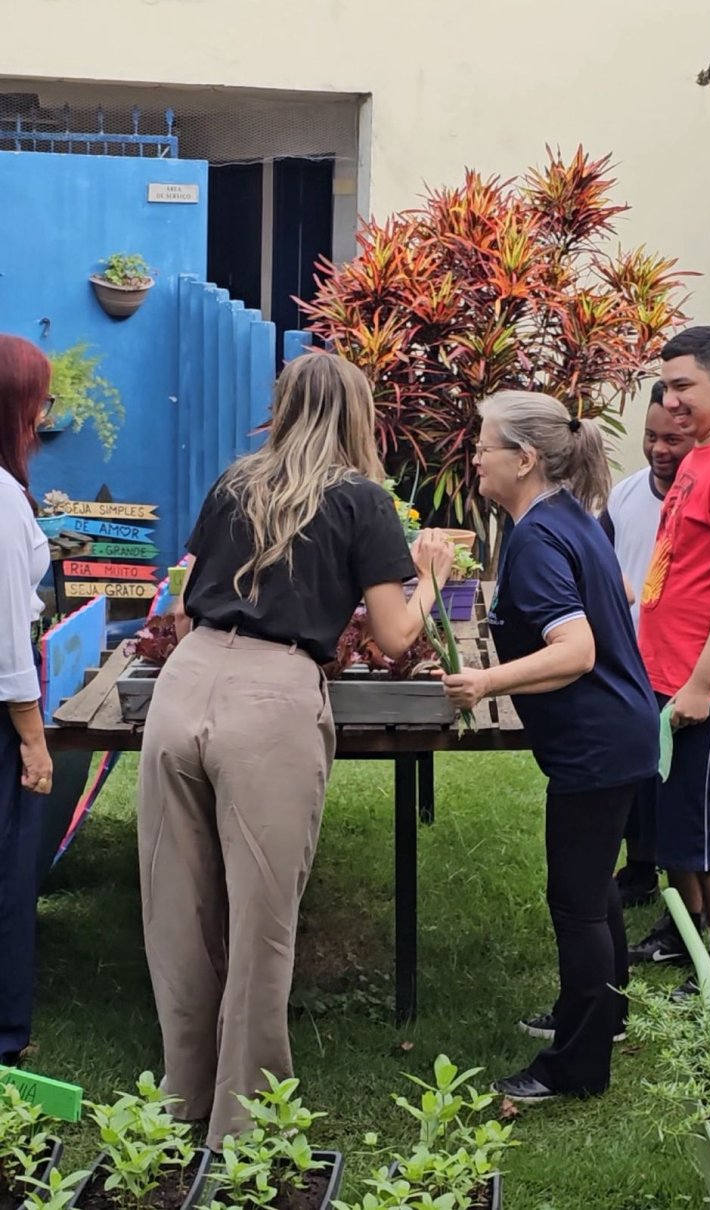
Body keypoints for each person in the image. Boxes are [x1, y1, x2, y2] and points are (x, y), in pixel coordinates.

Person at [137, 352, 454, 1150]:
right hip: (271, 700)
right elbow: (392, 635)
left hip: (186, 681)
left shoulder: (235, 481)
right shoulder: (362, 499)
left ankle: (181, 1098)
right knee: (263, 919)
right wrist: (428, 578)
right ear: (359, 414)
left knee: (176, 906)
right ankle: (243, 1125)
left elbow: (180, 601)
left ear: (281, 409)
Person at [440, 390, 658, 1103]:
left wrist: (486, 681)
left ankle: (577, 1067)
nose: (474, 457)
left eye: (484, 446)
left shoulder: (538, 536)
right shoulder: (567, 516)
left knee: (576, 903)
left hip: (595, 746)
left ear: (525, 458)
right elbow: (618, 588)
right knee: (593, 893)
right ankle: (599, 1019)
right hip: (620, 733)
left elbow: (577, 648)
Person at [633, 326, 710, 991]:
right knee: (673, 819)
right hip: (664, 675)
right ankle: (685, 936)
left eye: (683, 386)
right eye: (667, 386)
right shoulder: (702, 455)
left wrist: (702, 683)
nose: (671, 402)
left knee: (704, 823)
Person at [600, 381, 695, 909]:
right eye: (650, 436)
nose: (659, 450)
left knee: (672, 781)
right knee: (633, 772)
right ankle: (638, 868)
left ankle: (680, 887)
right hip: (627, 658)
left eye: (673, 440)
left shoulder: (709, 497)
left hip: (682, 664)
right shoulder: (626, 494)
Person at [0, 334, 55, 1067]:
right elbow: (10, 644)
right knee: (11, 870)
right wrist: (34, 740)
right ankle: (7, 1033)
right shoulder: (7, 505)